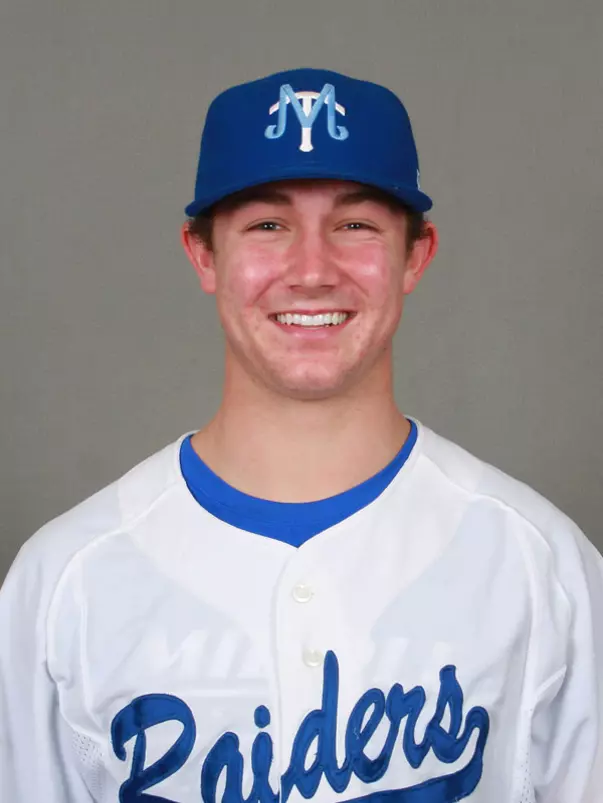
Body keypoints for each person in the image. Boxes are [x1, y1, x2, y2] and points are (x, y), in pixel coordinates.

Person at [0, 67, 601, 803]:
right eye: (266, 225)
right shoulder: (65, 582)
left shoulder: (540, 566)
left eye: (354, 225)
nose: (312, 270)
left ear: (414, 254)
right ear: (202, 254)